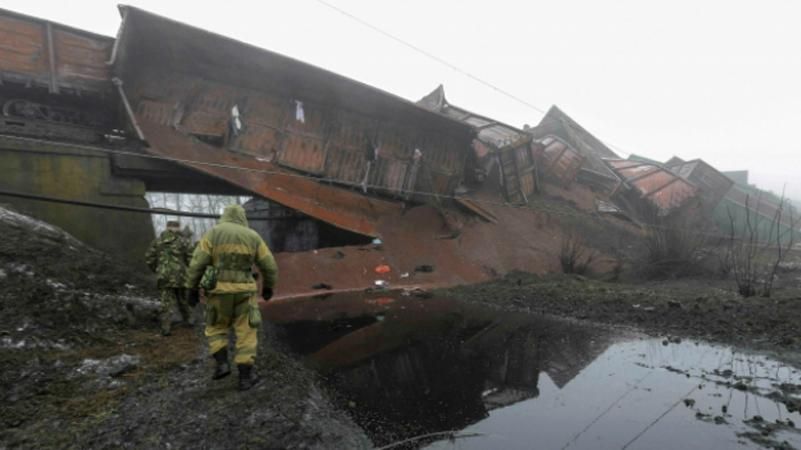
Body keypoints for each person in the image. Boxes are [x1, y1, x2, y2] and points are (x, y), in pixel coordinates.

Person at [184, 205, 278, 391]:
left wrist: (191, 289)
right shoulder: (253, 236)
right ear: (243, 217)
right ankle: (245, 378)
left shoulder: (213, 233)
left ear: (225, 216)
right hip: (245, 293)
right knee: (246, 332)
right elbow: (270, 265)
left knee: (216, 327)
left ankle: (222, 364)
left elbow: (197, 264)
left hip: (218, 292)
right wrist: (268, 287)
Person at [145, 220, 195, 336]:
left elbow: (149, 258)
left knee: (166, 302)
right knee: (182, 299)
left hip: (164, 276)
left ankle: (166, 328)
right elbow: (191, 259)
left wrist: (158, 270)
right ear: (177, 228)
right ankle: (189, 320)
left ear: (167, 227)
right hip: (180, 276)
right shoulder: (183, 241)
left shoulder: (157, 241)